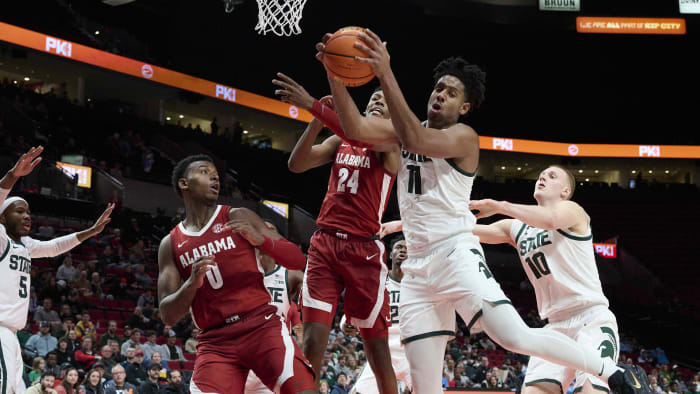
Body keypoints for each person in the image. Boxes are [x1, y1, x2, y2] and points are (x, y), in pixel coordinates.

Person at [316, 32, 650, 394]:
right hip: (416, 269)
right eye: (438, 88)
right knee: (425, 384)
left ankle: (612, 371)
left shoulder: (464, 137)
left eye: (452, 92)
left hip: (455, 254)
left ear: (464, 108)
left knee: (515, 336)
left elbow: (415, 140)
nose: (440, 94)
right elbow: (354, 128)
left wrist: (385, 73)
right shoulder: (400, 132)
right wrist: (336, 72)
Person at [273, 72, 399, 393]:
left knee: (377, 351)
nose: (375, 101)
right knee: (312, 342)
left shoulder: (392, 141)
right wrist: (315, 122)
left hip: (364, 251)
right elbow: (296, 165)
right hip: (325, 245)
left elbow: (360, 134)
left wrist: (312, 105)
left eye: (383, 101)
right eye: (373, 98)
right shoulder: (338, 140)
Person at [469, 165, 638, 394]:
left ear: (565, 191)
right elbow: (470, 231)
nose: (543, 177)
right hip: (554, 326)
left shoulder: (573, 211)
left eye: (552, 176)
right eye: (541, 175)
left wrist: (500, 206)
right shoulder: (516, 228)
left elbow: (549, 220)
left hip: (590, 319)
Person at [157, 154, 314, 393]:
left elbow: (297, 259)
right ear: (183, 183)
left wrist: (262, 240)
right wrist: (191, 284)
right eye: (204, 171)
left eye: (216, 175)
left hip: (260, 327)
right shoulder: (171, 244)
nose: (214, 177)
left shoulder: (237, 216)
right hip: (215, 341)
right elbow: (167, 314)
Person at [0, 146, 114, 394]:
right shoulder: (1, 239)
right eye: (19, 211)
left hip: (11, 332)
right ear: (2, 219)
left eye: (29, 212)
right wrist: (13, 175)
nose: (27, 216)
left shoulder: (26, 245)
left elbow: (54, 247)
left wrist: (91, 232)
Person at [244, 221, 304, 393]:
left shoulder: (290, 275)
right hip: (241, 357)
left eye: (269, 231)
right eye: (260, 229)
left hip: (273, 360)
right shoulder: (239, 272)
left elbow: (318, 300)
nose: (264, 234)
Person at [347, 237, 412, 394]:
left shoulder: (420, 285)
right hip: (383, 352)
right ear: (390, 255)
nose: (402, 250)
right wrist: (345, 323)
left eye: (406, 248)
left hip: (412, 354)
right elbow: (357, 309)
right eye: (398, 247)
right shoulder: (377, 282)